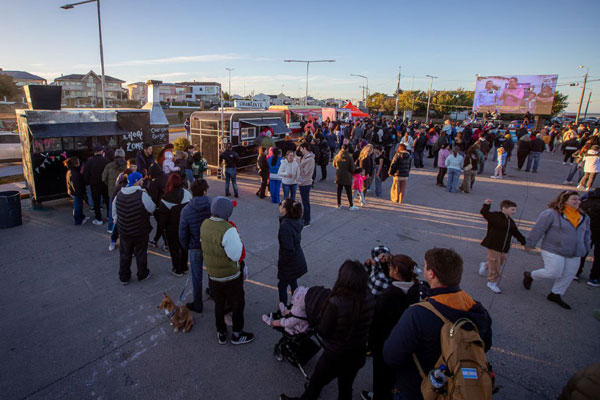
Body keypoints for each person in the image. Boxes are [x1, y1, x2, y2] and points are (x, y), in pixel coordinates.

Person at [383, 248, 493, 400]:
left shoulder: (417, 314)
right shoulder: (478, 310)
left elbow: (391, 356)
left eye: (426, 266)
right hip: (458, 386)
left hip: (420, 389)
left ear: (431, 274)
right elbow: (485, 345)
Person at [280, 260, 375, 400]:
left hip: (335, 355)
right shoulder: (369, 297)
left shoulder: (336, 302)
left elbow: (324, 330)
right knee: (346, 386)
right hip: (357, 352)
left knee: (315, 384)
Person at [362, 254, 420, 400]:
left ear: (396, 270)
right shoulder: (414, 288)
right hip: (403, 339)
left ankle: (379, 396)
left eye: (390, 267)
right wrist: (384, 265)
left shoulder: (389, 295)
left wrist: (371, 344)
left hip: (384, 341)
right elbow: (394, 281)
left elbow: (376, 322)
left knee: (381, 374)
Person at [524, 191, 591, 309]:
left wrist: (586, 248)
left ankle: (556, 294)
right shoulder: (551, 213)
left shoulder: (584, 217)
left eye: (578, 199)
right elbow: (538, 228)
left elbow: (587, 233)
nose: (577, 202)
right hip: (554, 248)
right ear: (564, 200)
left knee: (569, 274)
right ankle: (530, 275)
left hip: (575, 252)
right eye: (574, 199)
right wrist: (530, 243)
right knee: (554, 272)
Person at [200, 196, 254, 345]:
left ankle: (221, 332)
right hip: (230, 276)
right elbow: (236, 255)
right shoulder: (228, 229)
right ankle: (237, 334)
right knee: (238, 303)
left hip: (213, 274)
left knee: (219, 303)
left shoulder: (205, 224)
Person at [112, 172, 155, 284]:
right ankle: (142, 274)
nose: (142, 181)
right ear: (137, 182)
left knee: (125, 254)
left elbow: (114, 212)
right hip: (140, 231)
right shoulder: (142, 195)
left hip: (124, 231)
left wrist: (119, 222)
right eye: (141, 180)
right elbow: (151, 208)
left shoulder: (119, 195)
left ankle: (124, 277)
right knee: (141, 253)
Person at [478, 199, 526, 293]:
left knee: (498, 262)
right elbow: (484, 212)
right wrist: (486, 204)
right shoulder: (495, 216)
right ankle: (491, 282)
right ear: (504, 208)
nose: (514, 212)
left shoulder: (510, 222)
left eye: (514, 209)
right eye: (512, 209)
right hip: (493, 244)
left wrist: (523, 241)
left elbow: (516, 233)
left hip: (504, 247)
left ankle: (485, 265)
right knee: (496, 265)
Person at [179, 178, 212, 313]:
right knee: (212, 271)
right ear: (204, 191)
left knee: (196, 277)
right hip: (210, 245)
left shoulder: (186, 210)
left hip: (195, 247)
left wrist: (186, 246)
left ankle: (198, 304)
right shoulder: (212, 204)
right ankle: (213, 291)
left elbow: (182, 232)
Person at [159, 174, 192, 277]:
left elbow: (162, 219)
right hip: (185, 225)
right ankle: (185, 267)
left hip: (171, 228)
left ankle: (177, 269)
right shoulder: (187, 193)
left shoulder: (165, 199)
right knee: (184, 247)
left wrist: (162, 230)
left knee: (174, 249)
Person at [276, 198, 307, 305]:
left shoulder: (286, 225)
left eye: (281, 204)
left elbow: (288, 249)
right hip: (297, 258)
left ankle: (283, 308)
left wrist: (282, 264)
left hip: (290, 262)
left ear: (285, 209)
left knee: (282, 285)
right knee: (293, 282)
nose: (280, 205)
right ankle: (295, 305)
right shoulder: (295, 220)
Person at [102, 148, 126, 234]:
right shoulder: (126, 165)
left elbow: (103, 178)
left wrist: (109, 184)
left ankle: (111, 227)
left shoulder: (109, 165)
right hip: (124, 191)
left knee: (112, 210)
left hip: (112, 191)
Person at [84, 145, 110, 225]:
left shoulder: (89, 162)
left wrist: (87, 183)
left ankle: (98, 219)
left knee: (96, 202)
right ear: (102, 151)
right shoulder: (106, 160)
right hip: (105, 184)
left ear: (94, 152)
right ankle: (109, 216)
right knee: (107, 200)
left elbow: (86, 174)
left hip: (94, 184)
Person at [146, 163, 169, 251]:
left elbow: (153, 197)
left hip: (159, 207)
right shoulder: (166, 177)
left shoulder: (154, 182)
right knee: (161, 224)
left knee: (162, 225)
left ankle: (167, 243)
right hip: (169, 204)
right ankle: (155, 240)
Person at [64, 156, 89, 226]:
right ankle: (78, 220)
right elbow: (76, 185)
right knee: (77, 205)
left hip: (74, 191)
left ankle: (81, 217)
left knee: (78, 205)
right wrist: (80, 193)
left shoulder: (71, 171)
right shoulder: (74, 173)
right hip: (76, 192)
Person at [333, 144, 357, 210]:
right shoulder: (349, 157)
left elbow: (334, 164)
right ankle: (351, 205)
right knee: (348, 191)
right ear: (347, 149)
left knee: (339, 191)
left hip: (339, 175)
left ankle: (339, 204)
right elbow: (352, 168)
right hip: (347, 176)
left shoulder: (337, 156)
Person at [298, 143, 315, 227]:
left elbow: (305, 171)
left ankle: (307, 220)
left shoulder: (310, 159)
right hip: (302, 182)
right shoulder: (305, 157)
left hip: (306, 182)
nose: (300, 150)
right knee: (304, 201)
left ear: (304, 148)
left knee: (306, 202)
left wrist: (299, 164)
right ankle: (304, 218)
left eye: (300, 148)